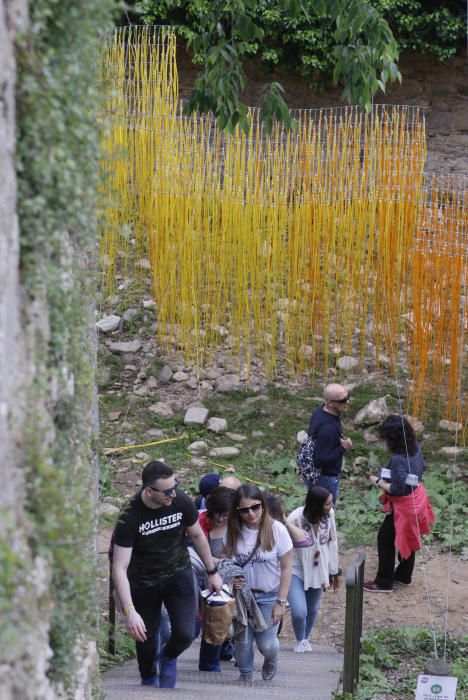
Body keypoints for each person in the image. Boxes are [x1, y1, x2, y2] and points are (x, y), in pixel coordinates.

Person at [112, 461, 222, 688]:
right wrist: (129, 611)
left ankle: (169, 656)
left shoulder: (179, 500)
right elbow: (119, 567)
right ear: (149, 491)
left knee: (186, 632)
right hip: (143, 582)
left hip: (177, 574)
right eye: (168, 490)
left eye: (176, 486)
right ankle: (149, 677)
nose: (174, 493)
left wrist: (212, 572)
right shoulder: (129, 516)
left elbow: (199, 537)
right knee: (146, 638)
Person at [224, 485, 293, 684]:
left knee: (267, 643)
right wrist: (231, 577)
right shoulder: (234, 531)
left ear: (262, 505)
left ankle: (271, 658)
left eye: (255, 507)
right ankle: (245, 677)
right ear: (238, 511)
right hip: (243, 595)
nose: (251, 513)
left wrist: (281, 601)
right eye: (244, 510)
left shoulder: (276, 529)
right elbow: (227, 561)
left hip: (269, 594)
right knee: (243, 641)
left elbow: (287, 567)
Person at [364, 415, 435, 593]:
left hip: (405, 506)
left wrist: (377, 481)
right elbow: (422, 469)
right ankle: (404, 575)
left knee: (385, 539)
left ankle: (384, 582)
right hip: (417, 498)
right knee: (409, 536)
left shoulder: (398, 459)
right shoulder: (415, 449)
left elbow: (396, 488)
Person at [283, 486, 339, 652]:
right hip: (296, 567)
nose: (332, 506)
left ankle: (304, 639)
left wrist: (333, 570)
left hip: (318, 567)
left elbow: (332, 540)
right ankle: (300, 638)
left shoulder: (329, 516)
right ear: (316, 505)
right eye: (328, 504)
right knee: (300, 610)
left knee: (313, 608)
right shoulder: (295, 518)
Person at [198, 486, 236, 672]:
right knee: (212, 619)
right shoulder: (202, 522)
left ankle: (221, 652)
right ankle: (209, 663)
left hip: (227, 580)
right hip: (202, 577)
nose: (220, 519)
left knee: (222, 618)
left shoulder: (236, 528)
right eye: (217, 514)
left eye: (225, 515)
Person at [307, 383, 353, 503]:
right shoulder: (328, 429)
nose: (347, 402)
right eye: (343, 400)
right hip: (325, 478)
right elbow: (319, 460)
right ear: (329, 403)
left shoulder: (320, 410)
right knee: (325, 512)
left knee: (315, 508)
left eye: (348, 397)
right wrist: (343, 448)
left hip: (318, 476)